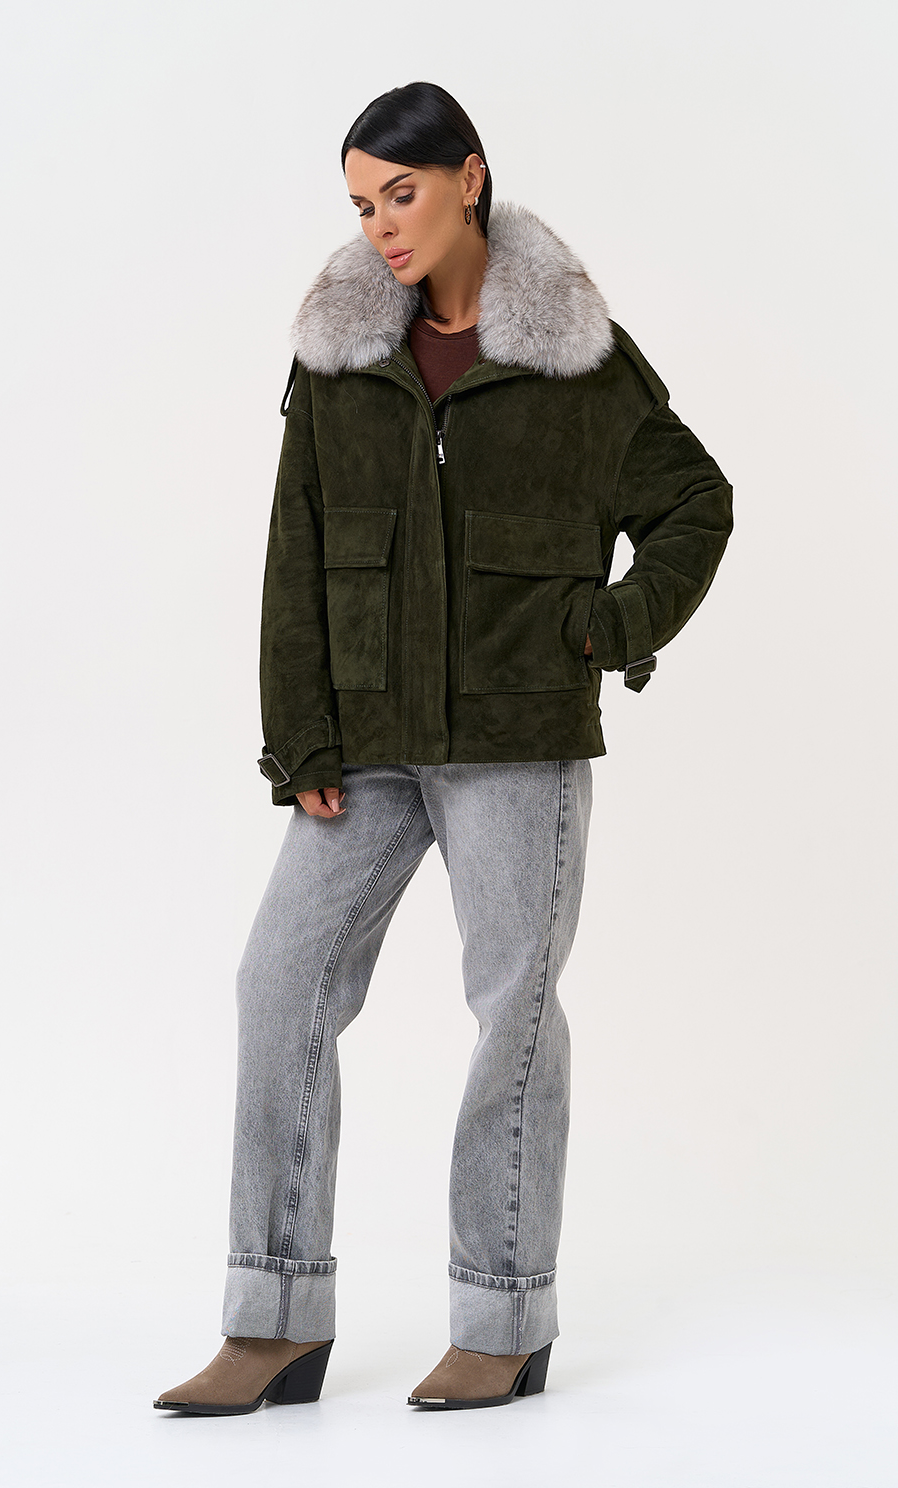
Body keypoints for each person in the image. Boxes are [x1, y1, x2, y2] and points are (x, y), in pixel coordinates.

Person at [155, 80, 733, 1416]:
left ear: (470, 177)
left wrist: (614, 626)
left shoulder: (576, 356)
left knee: (510, 1014)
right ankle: (273, 1316)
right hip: (364, 741)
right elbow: (296, 549)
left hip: (517, 739)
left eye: (400, 194)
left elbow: (694, 502)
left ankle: (504, 1317)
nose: (381, 225)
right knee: (279, 985)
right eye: (362, 203)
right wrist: (299, 731)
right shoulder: (339, 357)